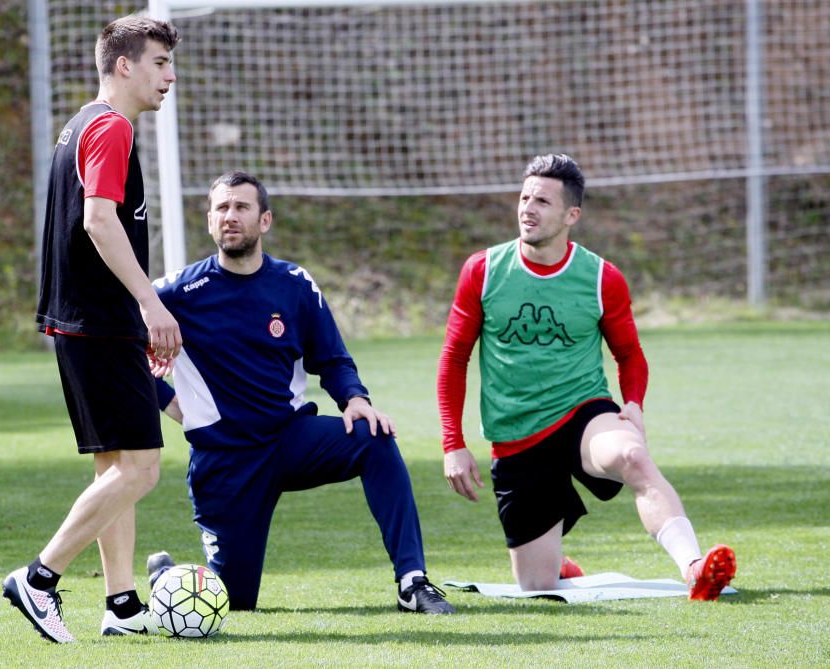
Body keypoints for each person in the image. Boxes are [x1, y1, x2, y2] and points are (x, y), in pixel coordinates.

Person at [145, 170, 455, 614]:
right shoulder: (177, 292)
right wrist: (170, 404)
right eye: (221, 208)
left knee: (375, 438)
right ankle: (167, 579)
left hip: (289, 439)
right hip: (225, 461)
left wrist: (356, 401)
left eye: (241, 207)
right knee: (232, 602)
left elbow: (332, 359)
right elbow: (120, 349)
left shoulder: (294, 284)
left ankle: (413, 582)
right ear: (209, 221)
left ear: (265, 220)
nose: (230, 217)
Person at [437, 153, 737, 600]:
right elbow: (453, 359)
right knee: (536, 585)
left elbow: (630, 355)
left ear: (571, 215)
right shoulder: (482, 271)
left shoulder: (602, 278)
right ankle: (556, 561)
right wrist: (453, 445)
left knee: (632, 456)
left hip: (582, 415)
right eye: (524, 198)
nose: (527, 208)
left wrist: (632, 404)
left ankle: (694, 568)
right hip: (516, 435)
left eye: (542, 201)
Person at [1, 15, 183, 643]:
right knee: (143, 469)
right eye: (159, 62)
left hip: (83, 320)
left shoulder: (82, 122)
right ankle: (40, 578)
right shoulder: (109, 128)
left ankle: (123, 603)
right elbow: (99, 222)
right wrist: (150, 303)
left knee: (115, 466)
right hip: (100, 321)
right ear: (125, 65)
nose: (170, 75)